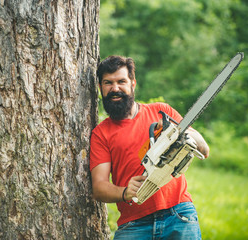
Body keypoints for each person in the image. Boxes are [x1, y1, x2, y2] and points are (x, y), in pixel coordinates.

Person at [90, 55, 210, 240]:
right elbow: (99, 187)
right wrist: (125, 192)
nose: (115, 88)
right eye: (108, 83)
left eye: (121, 81)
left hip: (178, 213)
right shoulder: (101, 133)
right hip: (133, 223)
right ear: (100, 87)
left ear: (132, 84)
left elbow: (204, 148)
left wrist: (177, 133)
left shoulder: (161, 112)